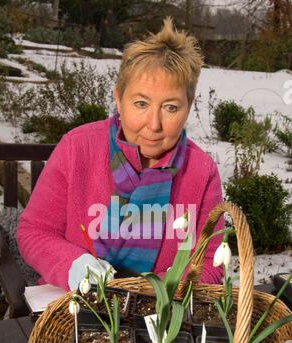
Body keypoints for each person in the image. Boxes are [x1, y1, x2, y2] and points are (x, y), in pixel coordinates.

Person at [16, 17, 224, 292]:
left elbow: (210, 263)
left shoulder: (201, 171)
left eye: (171, 108)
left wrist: (148, 292)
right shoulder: (77, 148)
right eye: (141, 103)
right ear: (118, 97)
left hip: (160, 316)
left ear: (188, 107)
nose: (154, 124)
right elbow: (34, 232)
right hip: (74, 306)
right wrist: (73, 264)